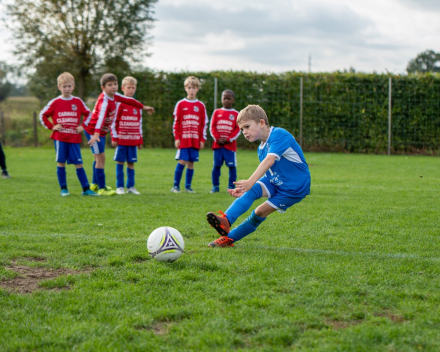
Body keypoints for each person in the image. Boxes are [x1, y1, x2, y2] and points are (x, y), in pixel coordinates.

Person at [206, 105, 311, 247]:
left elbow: (270, 161)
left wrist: (250, 182)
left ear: (261, 123)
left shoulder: (279, 134)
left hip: (294, 188)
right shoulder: (261, 148)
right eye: (242, 129)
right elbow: (269, 171)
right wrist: (247, 188)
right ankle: (225, 220)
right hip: (275, 180)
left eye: (247, 127)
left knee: (259, 212)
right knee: (250, 192)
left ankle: (229, 239)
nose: (244, 132)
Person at [83, 73, 154, 196]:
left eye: (115, 84)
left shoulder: (115, 96)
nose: (113, 87)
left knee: (97, 158)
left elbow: (129, 101)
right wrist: (95, 134)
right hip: (93, 131)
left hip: (100, 132)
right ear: (103, 88)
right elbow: (100, 119)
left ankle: (94, 185)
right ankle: (102, 188)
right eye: (110, 85)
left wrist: (143, 107)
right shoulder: (104, 101)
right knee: (101, 158)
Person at [39, 72, 99, 196]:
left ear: (74, 86)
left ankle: (86, 189)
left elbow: (89, 114)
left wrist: (83, 126)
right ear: (59, 87)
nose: (67, 89)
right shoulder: (55, 102)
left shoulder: (77, 101)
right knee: (61, 163)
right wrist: (52, 127)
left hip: (74, 138)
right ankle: (64, 189)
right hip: (60, 138)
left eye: (69, 86)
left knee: (79, 163)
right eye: (64, 86)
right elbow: (42, 115)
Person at [171, 76, 208, 193]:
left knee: (191, 163)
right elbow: (176, 122)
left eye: (194, 88)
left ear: (198, 89)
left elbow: (203, 124)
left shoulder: (201, 105)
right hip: (184, 139)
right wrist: (177, 137)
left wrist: (202, 139)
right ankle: (175, 186)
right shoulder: (180, 104)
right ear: (185, 88)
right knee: (182, 161)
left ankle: (188, 186)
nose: (191, 90)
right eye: (189, 87)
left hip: (195, 140)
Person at [111, 76, 143, 195]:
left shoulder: (137, 105)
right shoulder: (119, 103)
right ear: (123, 88)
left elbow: (139, 123)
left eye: (133, 88)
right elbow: (114, 121)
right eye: (128, 87)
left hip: (133, 140)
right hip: (122, 140)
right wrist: (114, 137)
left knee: (131, 163)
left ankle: (131, 186)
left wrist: (140, 139)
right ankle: (120, 187)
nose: (131, 90)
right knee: (120, 162)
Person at [209, 89, 240, 193]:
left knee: (232, 167)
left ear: (233, 100)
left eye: (229, 98)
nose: (226, 100)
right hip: (217, 145)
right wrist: (217, 138)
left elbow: (238, 129)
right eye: (224, 98)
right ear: (221, 99)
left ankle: (231, 187)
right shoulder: (216, 112)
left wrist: (228, 139)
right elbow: (212, 127)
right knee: (216, 166)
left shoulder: (236, 114)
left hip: (230, 146)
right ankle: (215, 186)